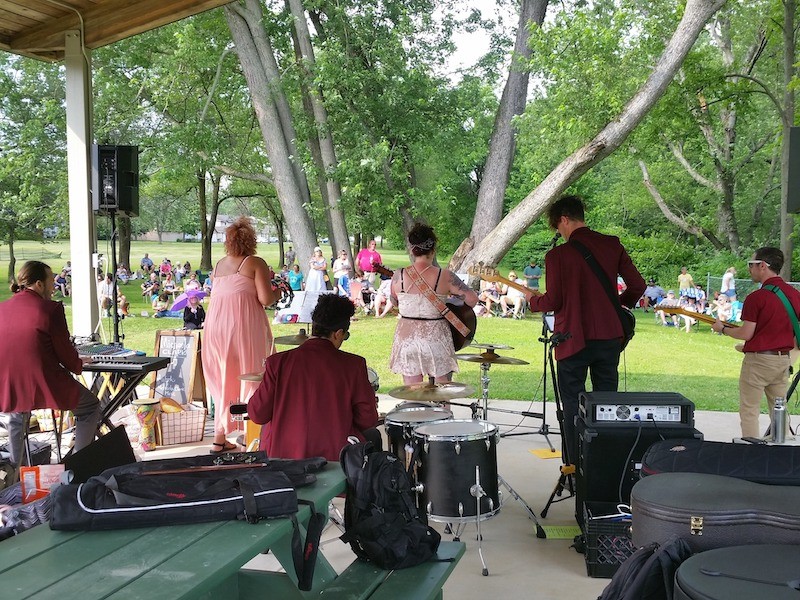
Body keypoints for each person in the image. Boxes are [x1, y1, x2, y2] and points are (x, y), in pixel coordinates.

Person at [523, 195, 645, 465]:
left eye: (558, 227)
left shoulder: (558, 255)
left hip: (573, 339)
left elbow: (553, 301)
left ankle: (574, 466)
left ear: (564, 220)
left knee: (571, 404)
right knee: (607, 403)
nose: (560, 233)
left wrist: (533, 300)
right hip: (609, 337)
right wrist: (616, 306)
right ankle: (606, 466)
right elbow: (638, 286)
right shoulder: (612, 245)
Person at [249, 294, 380, 460]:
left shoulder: (277, 363)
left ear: (314, 326)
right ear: (338, 333)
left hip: (283, 460)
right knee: (373, 436)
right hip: (336, 459)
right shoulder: (353, 365)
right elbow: (367, 419)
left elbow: (257, 413)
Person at [0, 261, 100, 467]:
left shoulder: (3, 307)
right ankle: (78, 466)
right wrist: (77, 364)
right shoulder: (51, 309)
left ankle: (17, 473)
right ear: (38, 284)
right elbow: (64, 351)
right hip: (44, 379)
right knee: (90, 406)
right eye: (50, 281)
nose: (54, 286)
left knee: (17, 414)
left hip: (8, 379)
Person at [202, 217, 277, 454]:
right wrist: (278, 292)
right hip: (243, 327)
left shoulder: (219, 265)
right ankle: (248, 434)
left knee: (224, 377)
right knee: (251, 373)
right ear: (251, 241)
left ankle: (219, 437)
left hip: (215, 329)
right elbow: (265, 299)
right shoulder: (254, 262)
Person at [711, 248, 800, 438]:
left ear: (762, 266)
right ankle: (782, 448)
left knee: (749, 409)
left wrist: (723, 329)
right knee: (779, 408)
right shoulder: (794, 294)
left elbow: (746, 333)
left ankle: (751, 451)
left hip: (759, 361)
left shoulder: (756, 297)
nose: (750, 269)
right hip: (783, 359)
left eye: (751, 265)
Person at [389, 223, 478, 384]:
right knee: (441, 392)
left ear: (411, 249)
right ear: (433, 249)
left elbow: (394, 302)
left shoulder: (398, 275)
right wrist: (448, 302)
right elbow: (472, 299)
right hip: (435, 337)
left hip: (407, 338)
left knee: (413, 393)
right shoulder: (445, 276)